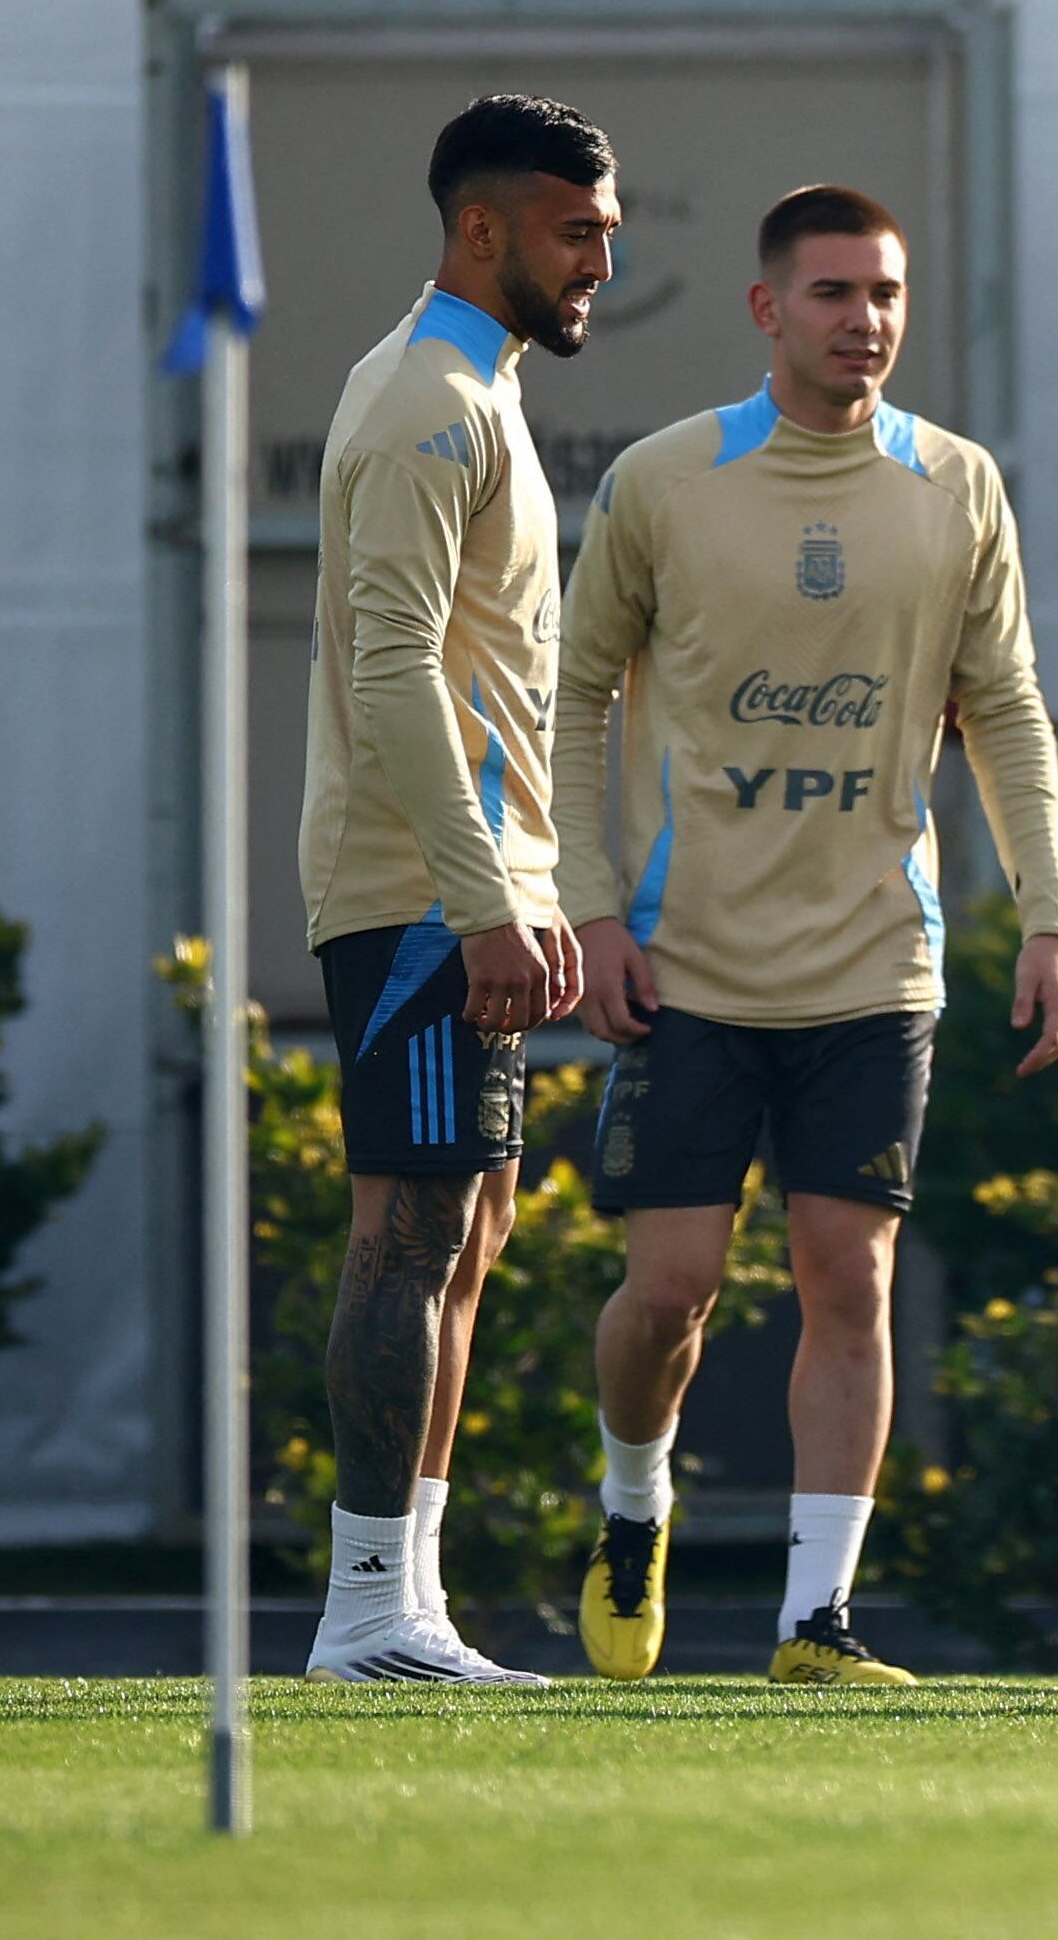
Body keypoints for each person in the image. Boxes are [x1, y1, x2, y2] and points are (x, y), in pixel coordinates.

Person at [554, 184, 1058, 1686]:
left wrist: (1052, 917)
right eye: (837, 293)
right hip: (688, 963)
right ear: (766, 310)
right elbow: (570, 695)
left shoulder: (956, 484)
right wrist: (590, 909)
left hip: (871, 962)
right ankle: (634, 1505)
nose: (867, 321)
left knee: (849, 1277)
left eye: (888, 295)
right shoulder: (664, 482)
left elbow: (1008, 716)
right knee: (670, 1293)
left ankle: (814, 1621)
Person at [297, 93, 613, 1682]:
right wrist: (482, 897)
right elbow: (394, 665)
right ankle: (365, 1614)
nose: (600, 262)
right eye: (575, 230)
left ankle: (403, 1604)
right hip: (422, 893)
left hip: (472, 884)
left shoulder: (472, 388)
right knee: (410, 1231)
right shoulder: (427, 397)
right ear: (481, 228)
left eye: (608, 232)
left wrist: (528, 884)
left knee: (467, 1226)